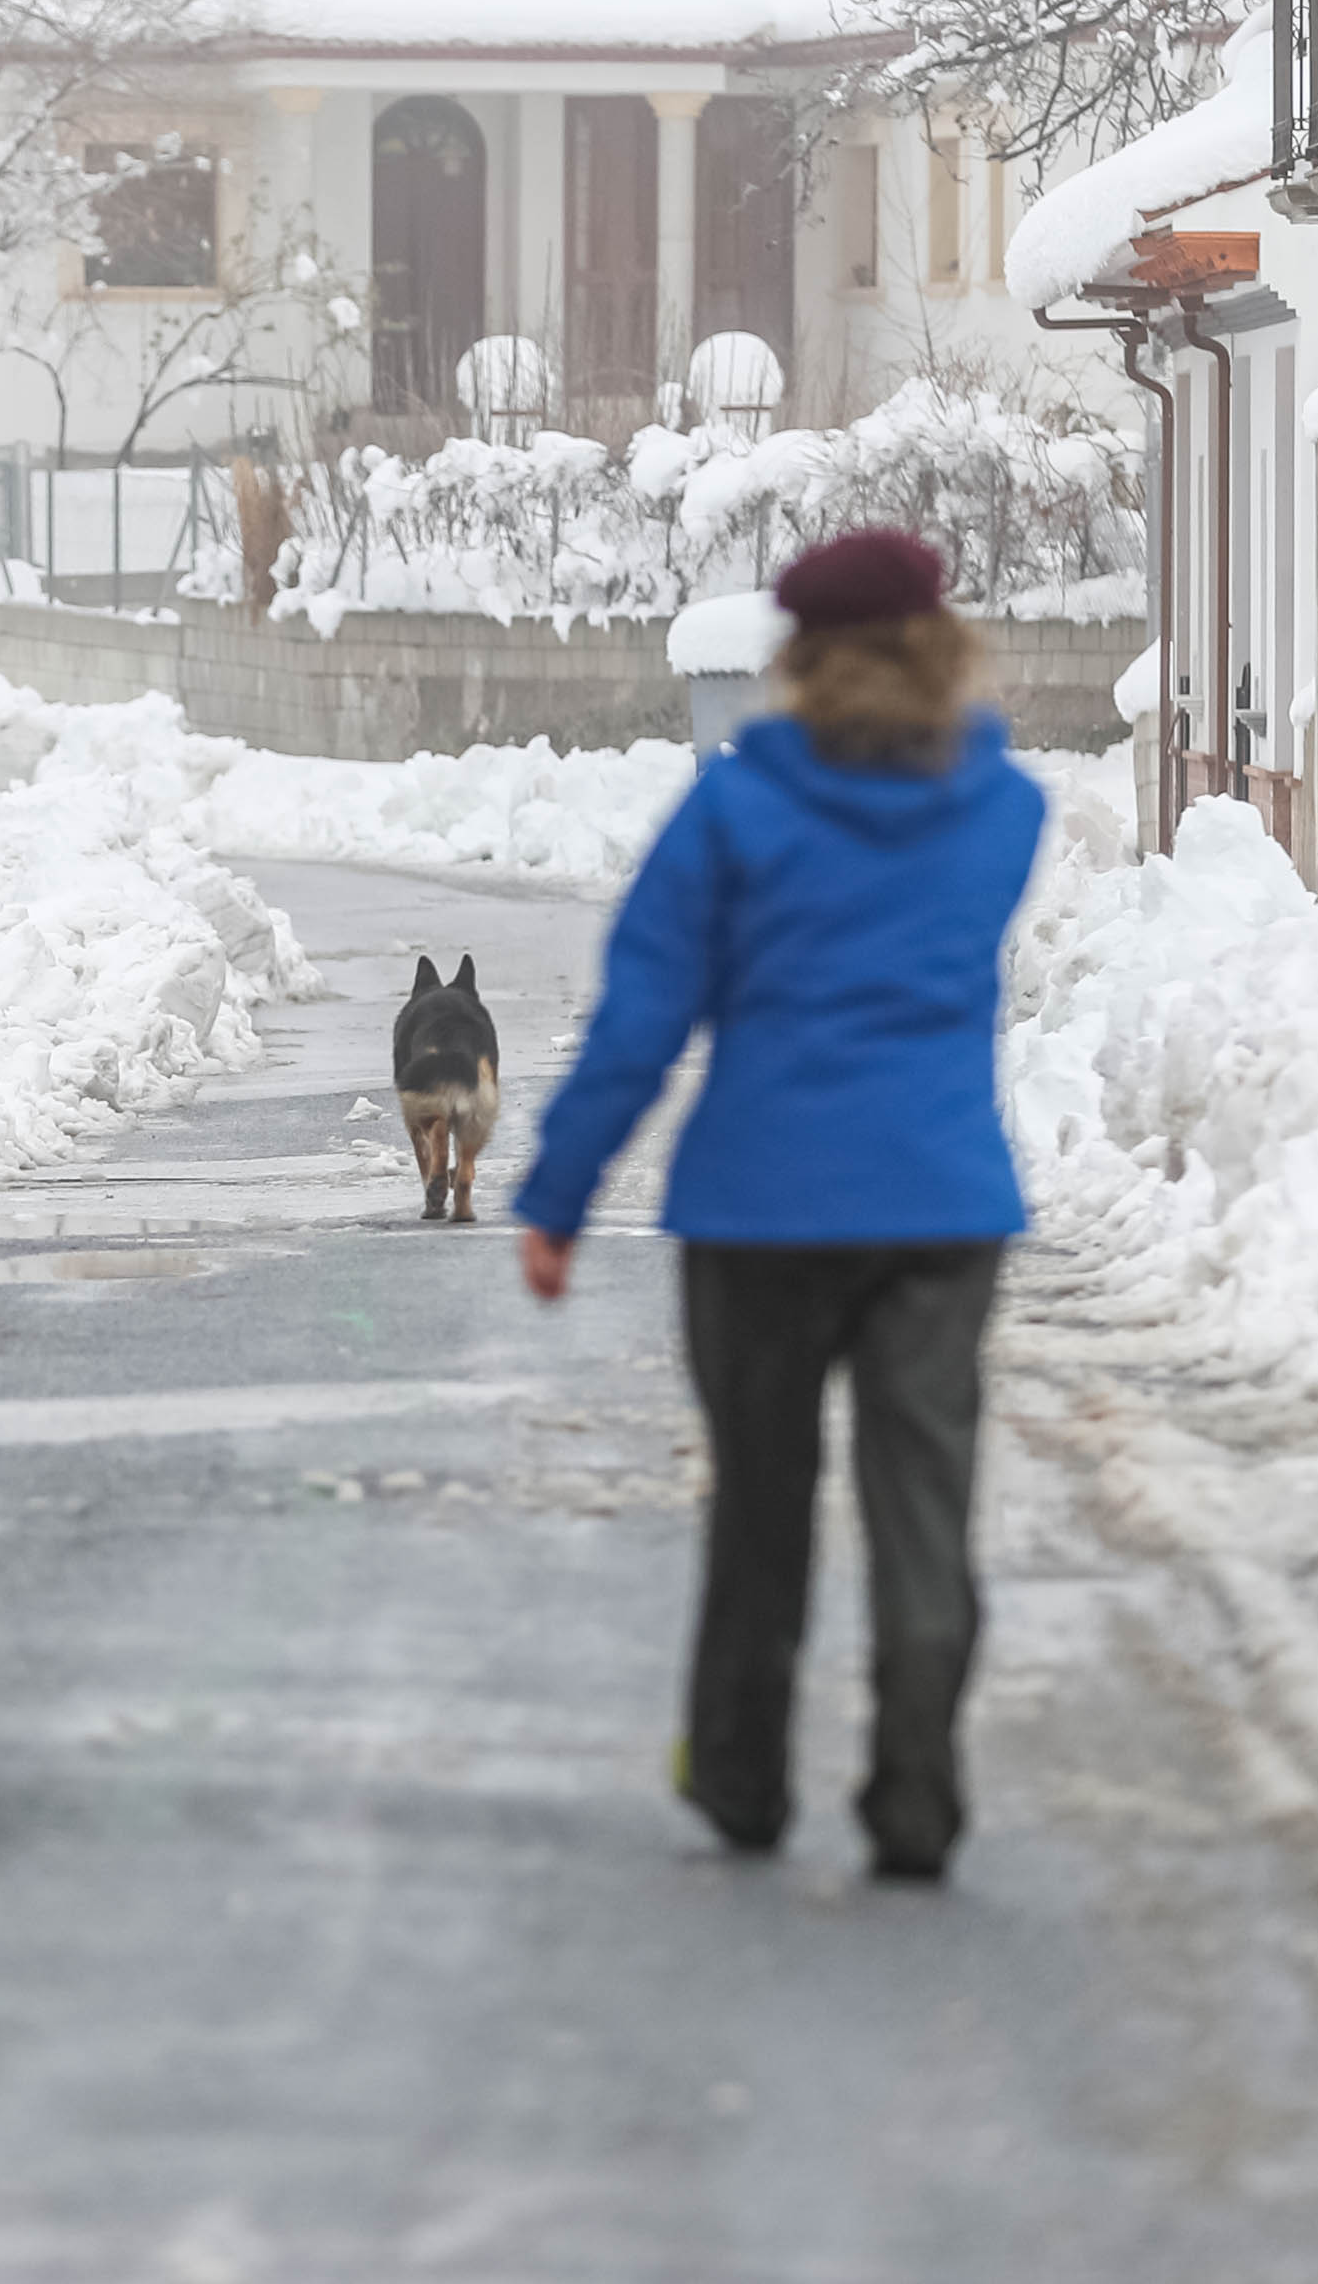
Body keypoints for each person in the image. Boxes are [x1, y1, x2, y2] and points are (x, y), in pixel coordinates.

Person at [507, 526, 1043, 1882]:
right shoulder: (1002, 810)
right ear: (941, 645)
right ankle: (916, 1794)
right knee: (923, 1500)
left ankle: (741, 1777)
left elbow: (641, 1019)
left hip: (759, 1210)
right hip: (940, 1210)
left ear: (798, 657)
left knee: (762, 1500)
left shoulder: (734, 812)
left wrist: (558, 1196)